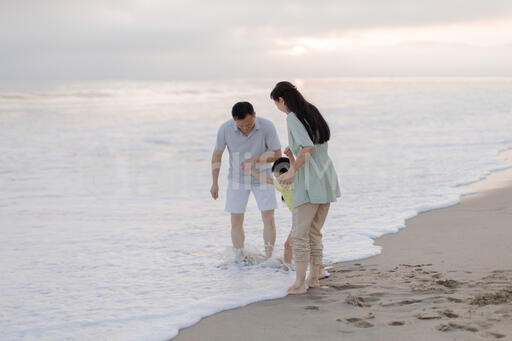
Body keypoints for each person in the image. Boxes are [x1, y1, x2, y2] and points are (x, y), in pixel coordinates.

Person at [271, 81, 341, 295]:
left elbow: (307, 147)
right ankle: (314, 278)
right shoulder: (312, 111)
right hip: (326, 175)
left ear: (281, 100)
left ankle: (299, 283)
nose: (279, 108)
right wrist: (291, 157)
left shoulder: (292, 117)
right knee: (314, 231)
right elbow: (313, 146)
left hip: (309, 179)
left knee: (300, 235)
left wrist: (292, 172)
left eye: (276, 103)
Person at [210, 101, 282, 258]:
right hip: (237, 179)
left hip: (263, 177)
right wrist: (214, 182)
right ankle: (239, 257)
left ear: (254, 115)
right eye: (241, 126)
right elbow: (217, 155)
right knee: (236, 220)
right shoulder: (225, 129)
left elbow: (277, 154)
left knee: (269, 219)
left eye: (249, 125)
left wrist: (256, 159)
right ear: (234, 120)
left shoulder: (267, 126)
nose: (245, 129)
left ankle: (269, 257)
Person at [243, 155, 329, 277]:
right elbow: (266, 179)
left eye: (280, 177)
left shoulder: (297, 185)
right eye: (277, 178)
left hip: (306, 218)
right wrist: (250, 170)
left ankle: (294, 269)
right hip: (299, 220)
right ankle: (291, 268)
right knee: (297, 244)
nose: (279, 181)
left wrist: (290, 156)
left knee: (292, 244)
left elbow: (296, 168)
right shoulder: (281, 186)